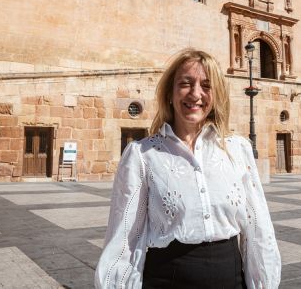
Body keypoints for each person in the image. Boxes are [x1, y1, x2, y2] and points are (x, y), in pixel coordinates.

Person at [95, 49, 281, 288]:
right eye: (185, 83)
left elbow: (258, 229)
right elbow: (124, 239)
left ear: (217, 95)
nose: (196, 94)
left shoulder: (238, 149)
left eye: (206, 85)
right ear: (170, 94)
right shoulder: (142, 155)